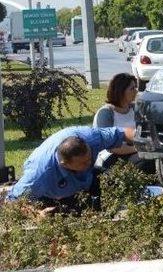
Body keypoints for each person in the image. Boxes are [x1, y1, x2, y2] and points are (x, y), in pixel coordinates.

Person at [5, 126, 136, 211]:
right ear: (65, 164)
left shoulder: (92, 138)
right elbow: (12, 201)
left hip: (85, 180)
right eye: (83, 163)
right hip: (50, 196)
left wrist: (150, 141)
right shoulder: (39, 176)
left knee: (113, 183)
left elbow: (123, 132)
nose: (89, 163)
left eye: (89, 158)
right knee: (65, 215)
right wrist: (37, 214)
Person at [93, 73, 152, 172]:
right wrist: (139, 149)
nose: (136, 91)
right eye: (132, 89)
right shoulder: (106, 113)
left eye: (136, 88)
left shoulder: (135, 109)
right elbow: (112, 147)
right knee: (145, 160)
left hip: (133, 151)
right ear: (120, 91)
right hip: (110, 156)